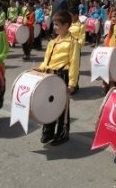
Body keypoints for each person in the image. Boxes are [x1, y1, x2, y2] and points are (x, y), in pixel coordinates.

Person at [35, 10, 80, 146]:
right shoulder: (53, 42)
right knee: (48, 104)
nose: (54, 27)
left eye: (57, 25)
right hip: (50, 75)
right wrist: (41, 68)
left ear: (66, 25)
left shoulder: (73, 42)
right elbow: (46, 60)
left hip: (62, 76)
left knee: (62, 106)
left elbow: (74, 64)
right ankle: (48, 131)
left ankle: (62, 134)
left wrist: (72, 83)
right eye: (54, 24)